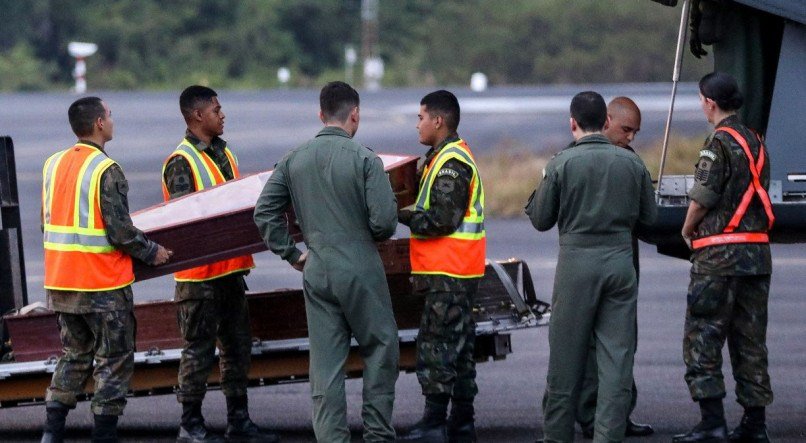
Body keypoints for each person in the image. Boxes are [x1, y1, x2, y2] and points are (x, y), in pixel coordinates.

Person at [253, 81, 399, 443]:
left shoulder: (293, 160)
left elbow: (264, 212)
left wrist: (292, 254)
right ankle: (378, 434)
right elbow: (384, 223)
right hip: (360, 265)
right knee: (381, 348)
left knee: (326, 367)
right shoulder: (365, 159)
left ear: (320, 114)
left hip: (316, 267)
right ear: (356, 115)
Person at [526, 91, 657, 443]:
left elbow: (540, 218)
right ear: (605, 123)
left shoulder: (561, 163)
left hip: (576, 264)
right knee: (617, 360)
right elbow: (650, 217)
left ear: (572, 123)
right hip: (620, 263)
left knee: (565, 360)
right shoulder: (632, 163)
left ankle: (557, 435)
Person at [40, 96, 172, 442]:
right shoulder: (105, 170)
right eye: (109, 116)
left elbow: (47, 223)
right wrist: (152, 251)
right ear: (99, 123)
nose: (112, 121)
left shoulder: (52, 164)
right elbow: (120, 231)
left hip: (61, 283)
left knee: (74, 356)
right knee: (113, 360)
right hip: (101, 286)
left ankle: (51, 433)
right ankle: (104, 435)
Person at [162, 85, 278, 443]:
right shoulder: (181, 161)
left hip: (230, 273)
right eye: (216, 109)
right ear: (198, 116)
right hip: (199, 280)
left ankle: (238, 421)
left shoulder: (223, 154)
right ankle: (190, 424)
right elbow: (186, 218)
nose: (222, 114)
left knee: (237, 349)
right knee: (197, 353)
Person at [673, 72, 774, 443]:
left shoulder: (717, 143)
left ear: (710, 103)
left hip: (719, 256)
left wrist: (685, 229)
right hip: (757, 255)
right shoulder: (757, 142)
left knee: (703, 335)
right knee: (751, 340)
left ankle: (711, 422)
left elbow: (703, 195)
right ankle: (755, 424)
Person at [397, 90, 486, 443]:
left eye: (420, 117)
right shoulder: (440, 158)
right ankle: (462, 423)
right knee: (460, 348)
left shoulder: (451, 163)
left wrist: (401, 216)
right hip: (456, 270)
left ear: (438, 120)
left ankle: (434, 424)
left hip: (449, 272)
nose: (417, 124)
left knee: (437, 345)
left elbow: (442, 220)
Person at [572, 97, 654, 439]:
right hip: (588, 264)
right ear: (607, 121)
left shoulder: (630, 161)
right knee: (589, 343)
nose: (631, 138)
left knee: (622, 344)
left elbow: (645, 214)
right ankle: (590, 415)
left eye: (635, 132)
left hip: (622, 264)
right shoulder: (575, 156)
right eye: (626, 129)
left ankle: (618, 413)